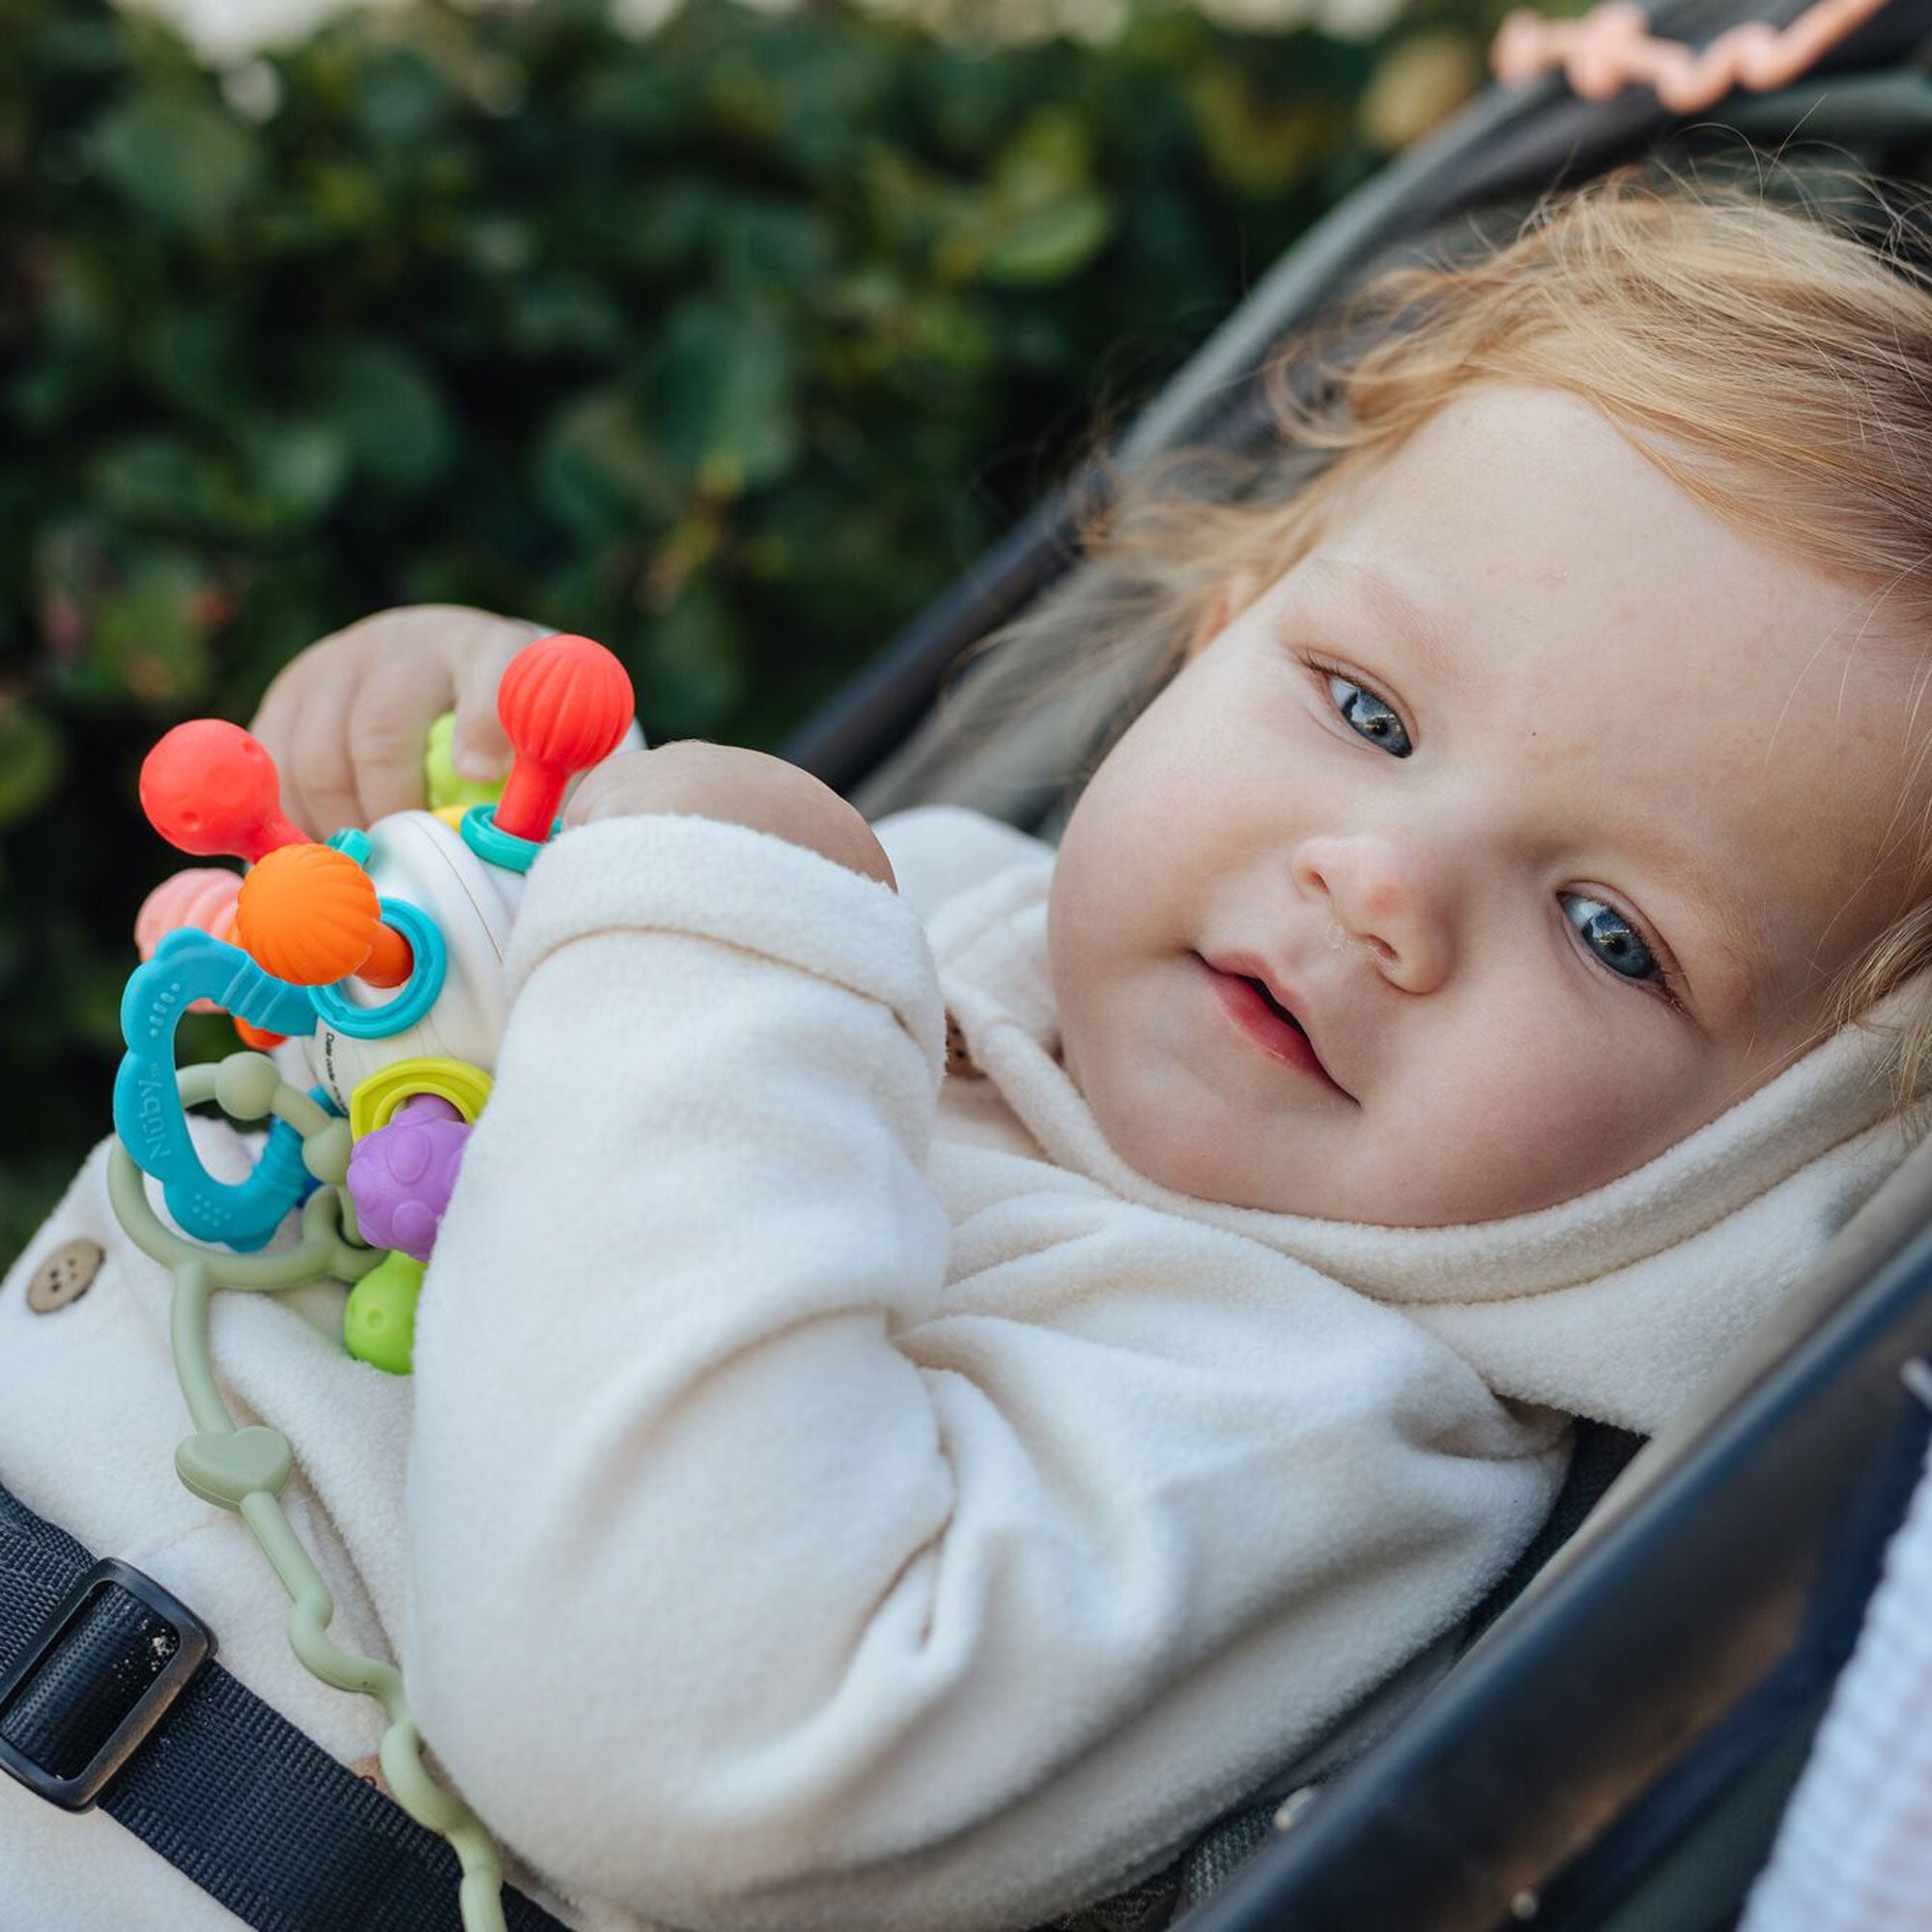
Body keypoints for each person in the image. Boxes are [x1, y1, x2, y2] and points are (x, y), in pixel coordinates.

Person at [7, 168, 1932, 1932]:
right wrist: (467, 822)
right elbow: (499, 1086)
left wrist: (712, 922)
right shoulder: (940, 920)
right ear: (1214, 619)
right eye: (1362, 706)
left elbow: (685, 1741)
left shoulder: (1313, 1420)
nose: (1377, 887)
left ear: (1773, 1143)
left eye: (1611, 934)